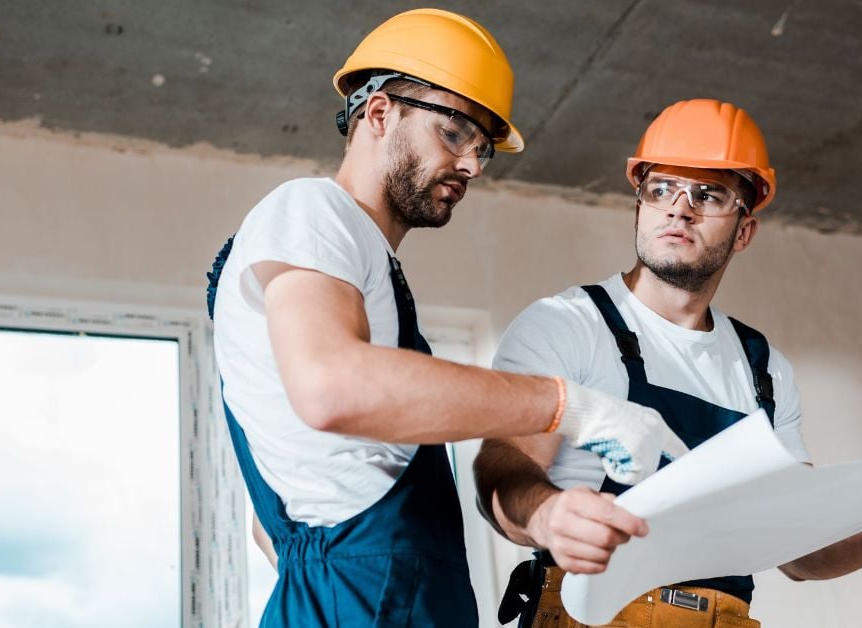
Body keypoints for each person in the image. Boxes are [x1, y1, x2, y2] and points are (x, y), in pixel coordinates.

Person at [203, 9, 691, 627]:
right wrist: (572, 407)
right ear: (379, 114)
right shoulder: (311, 209)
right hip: (368, 597)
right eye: (456, 132)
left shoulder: (363, 262)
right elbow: (332, 387)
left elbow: (270, 523)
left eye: (483, 147)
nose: (473, 165)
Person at [473, 98, 862, 628]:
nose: (679, 207)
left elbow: (800, 553)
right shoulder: (569, 324)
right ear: (639, 207)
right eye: (661, 189)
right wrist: (548, 515)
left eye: (709, 194)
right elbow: (502, 468)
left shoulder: (764, 371)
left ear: (744, 231)